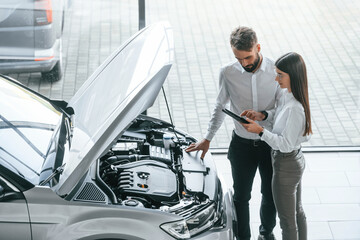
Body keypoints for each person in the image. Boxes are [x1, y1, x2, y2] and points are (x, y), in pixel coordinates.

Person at [185, 26, 282, 240]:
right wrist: (208, 138)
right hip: (241, 146)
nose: (244, 63)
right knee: (240, 196)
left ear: (258, 47)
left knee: (270, 194)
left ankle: (266, 234)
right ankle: (243, 237)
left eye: (248, 57)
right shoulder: (227, 72)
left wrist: (263, 115)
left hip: (269, 144)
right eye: (239, 59)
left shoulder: (276, 70)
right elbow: (220, 106)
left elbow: (284, 110)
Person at [241, 52, 311, 240]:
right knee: (297, 213)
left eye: (280, 74)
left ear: (293, 76)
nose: (276, 78)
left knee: (287, 221)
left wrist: (260, 131)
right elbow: (280, 116)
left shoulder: (295, 108)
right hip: (293, 162)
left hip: (286, 164)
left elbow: (285, 145)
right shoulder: (288, 94)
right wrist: (263, 116)